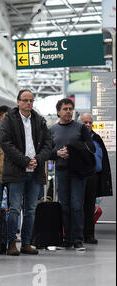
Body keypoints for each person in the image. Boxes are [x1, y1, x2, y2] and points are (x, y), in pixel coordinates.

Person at [0, 90, 52, 255]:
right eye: (25, 100)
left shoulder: (39, 120)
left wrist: (38, 159)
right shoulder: (9, 119)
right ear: (18, 101)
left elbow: (48, 143)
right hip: (16, 171)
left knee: (30, 209)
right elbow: (5, 143)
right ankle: (11, 242)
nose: (29, 103)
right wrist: (24, 160)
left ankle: (27, 243)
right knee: (14, 208)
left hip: (35, 172)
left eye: (31, 100)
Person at [50, 98, 95, 251]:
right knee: (65, 206)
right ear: (58, 112)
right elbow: (46, 152)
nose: (68, 111)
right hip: (61, 171)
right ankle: (66, 239)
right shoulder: (52, 130)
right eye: (65, 109)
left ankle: (78, 240)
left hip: (78, 172)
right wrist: (57, 153)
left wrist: (73, 149)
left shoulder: (81, 128)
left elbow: (90, 147)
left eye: (70, 108)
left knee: (76, 206)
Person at [79, 113, 112, 244]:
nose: (88, 125)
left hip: (94, 176)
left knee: (90, 206)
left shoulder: (97, 138)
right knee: (78, 206)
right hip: (80, 176)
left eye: (90, 123)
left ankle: (89, 234)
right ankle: (77, 235)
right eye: (85, 122)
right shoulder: (77, 138)